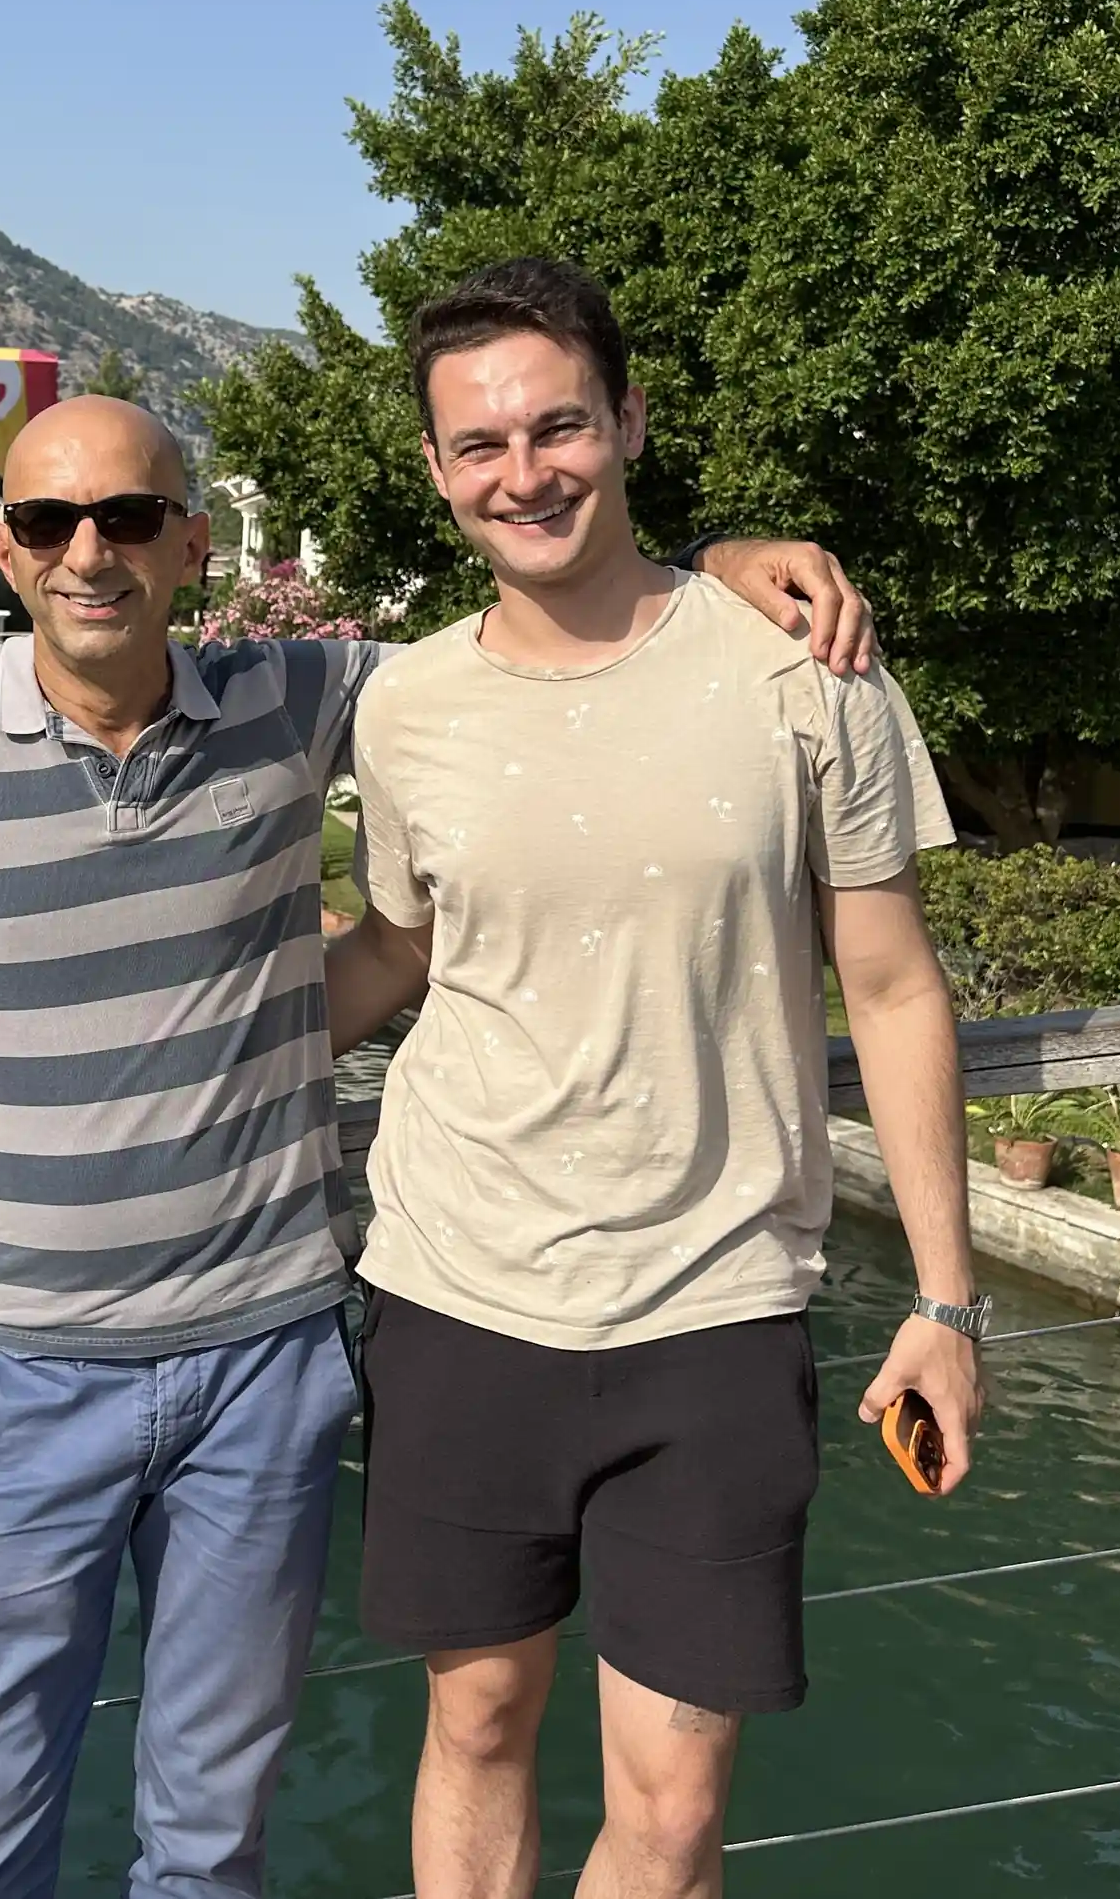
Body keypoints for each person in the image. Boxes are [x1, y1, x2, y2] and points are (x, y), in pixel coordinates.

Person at [0, 390, 879, 1899]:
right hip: (25, 1373)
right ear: (3, 547)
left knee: (207, 1834)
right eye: (47, 522)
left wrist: (710, 556)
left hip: (267, 1371)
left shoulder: (302, 700)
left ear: (190, 540)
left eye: (125, 517)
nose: (87, 552)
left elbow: (538, 620)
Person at [325, 259, 984, 1899]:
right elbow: (399, 950)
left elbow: (893, 985)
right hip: (458, 1286)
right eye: (478, 443)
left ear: (625, 420)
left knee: (676, 1804)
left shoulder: (800, 668)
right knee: (474, 1715)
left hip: (716, 1302)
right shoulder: (403, 705)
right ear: (433, 467)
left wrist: (947, 1304)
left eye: (558, 424)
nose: (521, 470)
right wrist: (186, 1038)